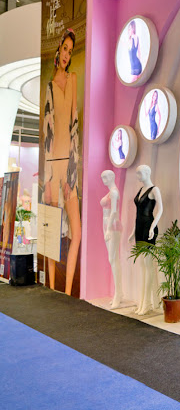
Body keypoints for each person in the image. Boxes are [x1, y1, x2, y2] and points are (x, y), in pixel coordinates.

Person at [42, 28, 82, 296]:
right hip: (52, 167)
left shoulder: (73, 79)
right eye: (64, 49)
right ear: (58, 49)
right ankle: (52, 290)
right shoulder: (49, 86)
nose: (67, 54)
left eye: (70, 50)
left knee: (76, 232)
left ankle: (67, 294)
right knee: (51, 233)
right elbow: (47, 137)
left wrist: (71, 175)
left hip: (69, 166)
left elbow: (74, 127)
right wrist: (48, 180)